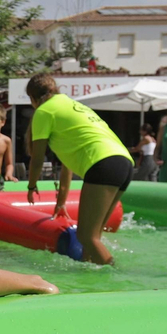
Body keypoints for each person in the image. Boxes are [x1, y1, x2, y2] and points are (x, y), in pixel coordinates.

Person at [22, 72, 134, 265]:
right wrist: (61, 202)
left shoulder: (44, 111)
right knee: (94, 237)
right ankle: (89, 277)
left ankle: (119, 281)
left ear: (32, 98)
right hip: (124, 162)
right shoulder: (73, 106)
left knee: (86, 237)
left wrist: (31, 185)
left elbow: (37, 157)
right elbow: (68, 167)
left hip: (103, 163)